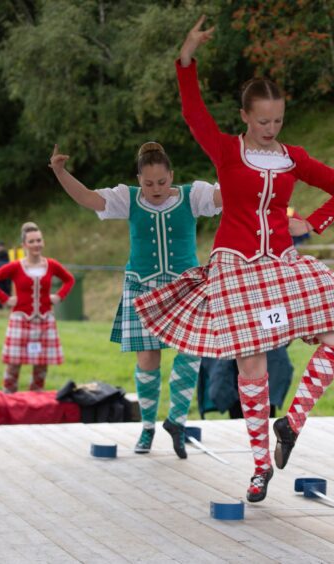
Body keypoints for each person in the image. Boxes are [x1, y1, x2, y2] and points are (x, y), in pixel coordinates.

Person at [134, 16, 334, 503]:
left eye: (278, 121)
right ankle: (260, 467)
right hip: (236, 265)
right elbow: (192, 112)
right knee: (252, 364)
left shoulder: (294, 157)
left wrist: (312, 221)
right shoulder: (226, 151)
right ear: (245, 116)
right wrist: (186, 58)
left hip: (283, 263)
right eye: (263, 121)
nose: (271, 129)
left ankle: (291, 421)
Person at [50, 141, 222, 458]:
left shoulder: (192, 195)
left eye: (162, 181)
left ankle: (177, 423)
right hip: (142, 287)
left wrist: (242, 163)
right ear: (138, 179)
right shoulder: (127, 199)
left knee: (191, 354)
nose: (155, 188)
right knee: (147, 360)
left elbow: (227, 194)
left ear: (172, 175)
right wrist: (61, 172)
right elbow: (88, 198)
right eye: (148, 183)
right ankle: (146, 428)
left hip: (185, 288)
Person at [0, 222, 75, 393]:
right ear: (24, 245)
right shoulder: (16, 267)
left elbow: (69, 280)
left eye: (39, 240)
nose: (36, 244)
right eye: (31, 241)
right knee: (13, 366)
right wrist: (5, 299)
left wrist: (59, 296)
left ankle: (36, 399)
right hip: (20, 320)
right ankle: (9, 400)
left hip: (45, 319)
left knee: (41, 367)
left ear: (43, 242)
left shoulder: (51, 265)